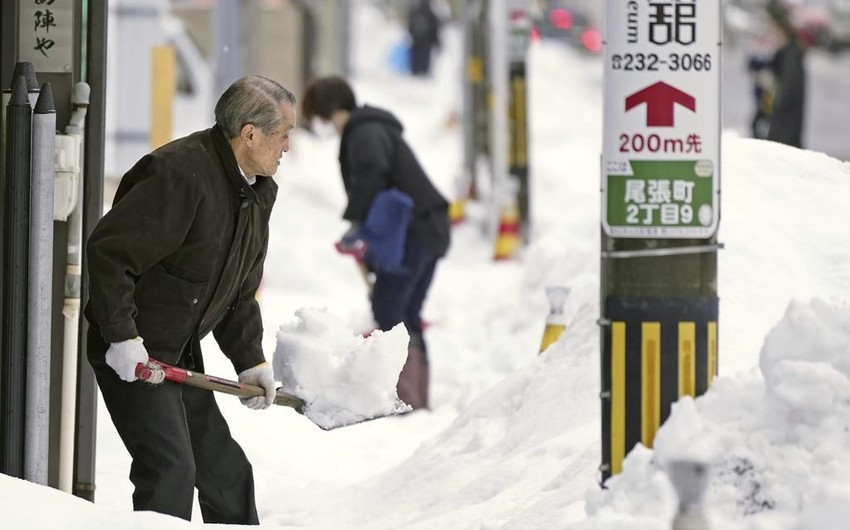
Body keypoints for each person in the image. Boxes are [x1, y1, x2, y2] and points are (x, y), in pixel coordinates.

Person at [84, 75, 297, 523]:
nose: (287, 147)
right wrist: (121, 337)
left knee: (226, 473)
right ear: (250, 133)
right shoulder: (179, 173)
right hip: (134, 350)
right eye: (284, 134)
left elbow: (238, 292)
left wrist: (250, 360)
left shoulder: (257, 192)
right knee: (170, 470)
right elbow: (110, 254)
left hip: (178, 350)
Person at [300, 76, 450, 410]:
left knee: (391, 309)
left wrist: (356, 223)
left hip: (416, 231)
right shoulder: (370, 128)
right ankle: (415, 398)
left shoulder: (363, 132)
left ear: (326, 110)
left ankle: (407, 398)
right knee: (404, 311)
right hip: (426, 228)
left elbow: (371, 173)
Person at [764, 0, 806, 148]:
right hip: (782, 132)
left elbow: (787, 99)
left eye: (772, 27)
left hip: (784, 137)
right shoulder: (785, 54)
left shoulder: (791, 56)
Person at [407, 0, 441, 76]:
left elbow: (410, 24)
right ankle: (423, 72)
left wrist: (411, 35)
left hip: (416, 41)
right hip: (426, 42)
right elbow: (434, 27)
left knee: (417, 58)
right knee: (424, 60)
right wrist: (435, 40)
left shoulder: (415, 10)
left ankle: (416, 71)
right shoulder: (430, 11)